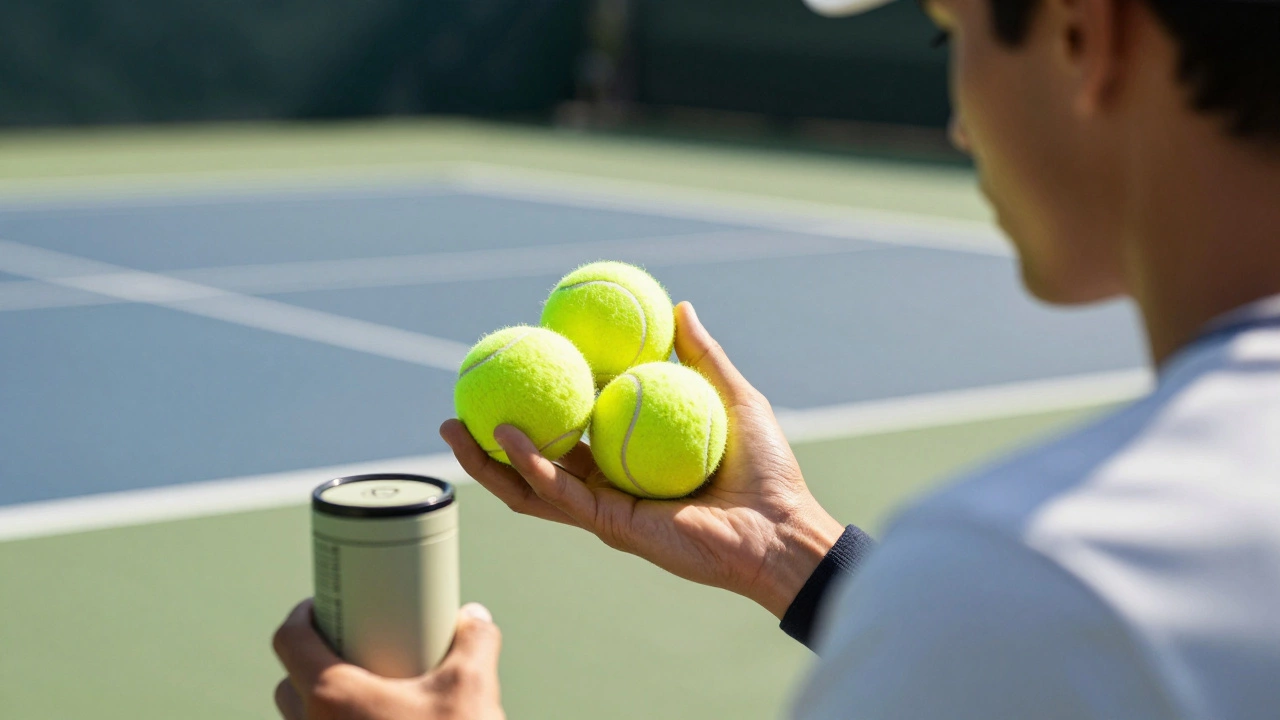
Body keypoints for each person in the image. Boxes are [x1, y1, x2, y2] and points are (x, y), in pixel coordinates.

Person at [272, 0, 1280, 716]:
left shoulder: (1032, 584)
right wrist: (791, 548)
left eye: (947, 30)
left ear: (1078, 30)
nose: (955, 114)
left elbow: (1019, 630)